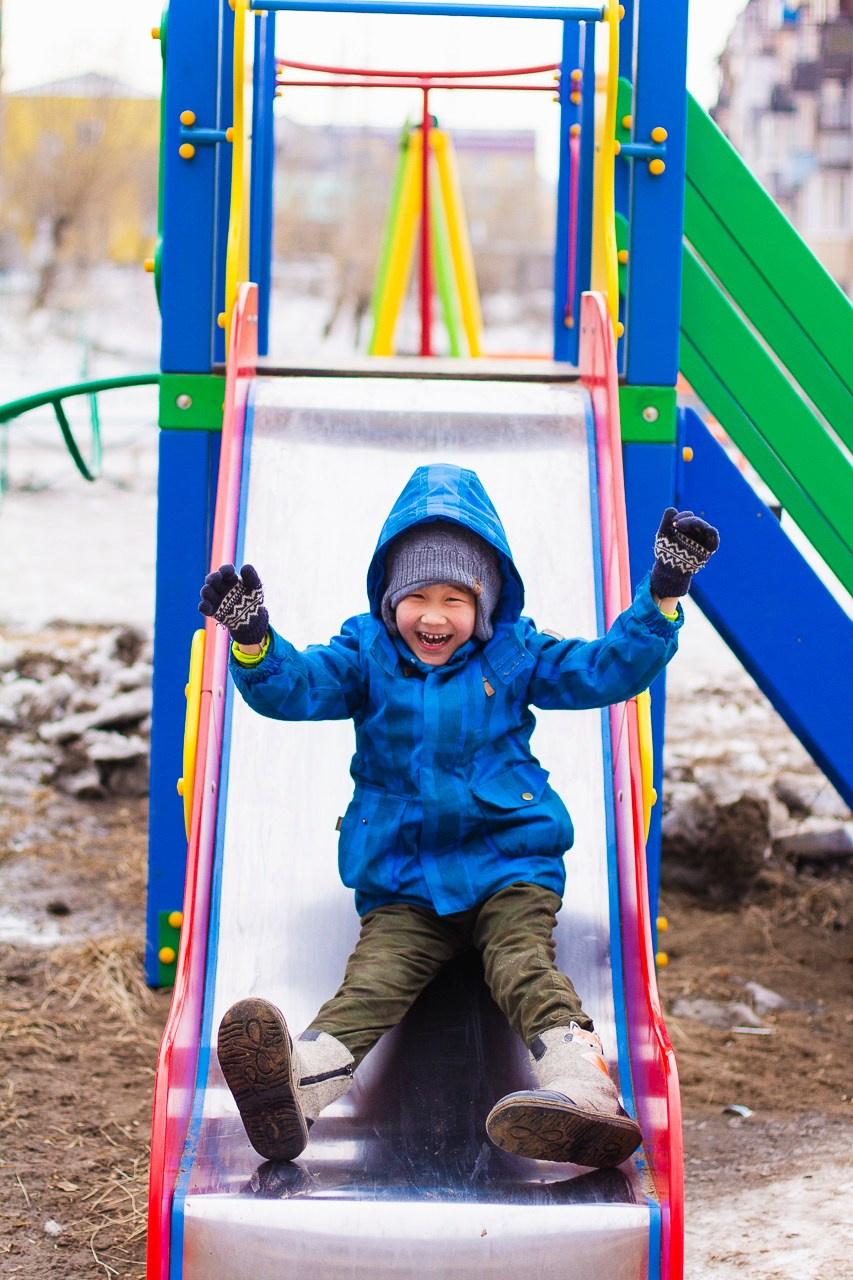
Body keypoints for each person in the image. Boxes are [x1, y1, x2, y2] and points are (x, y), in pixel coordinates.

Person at [199, 464, 719, 1170]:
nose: (434, 617)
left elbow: (606, 669)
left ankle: (584, 1092)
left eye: (455, 598)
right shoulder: (364, 655)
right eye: (415, 597)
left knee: (521, 965)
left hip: (508, 866)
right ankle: (295, 1090)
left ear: (486, 601)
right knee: (370, 984)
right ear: (389, 600)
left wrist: (663, 594)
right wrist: (254, 639)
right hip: (404, 881)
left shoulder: (516, 653)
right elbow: (294, 689)